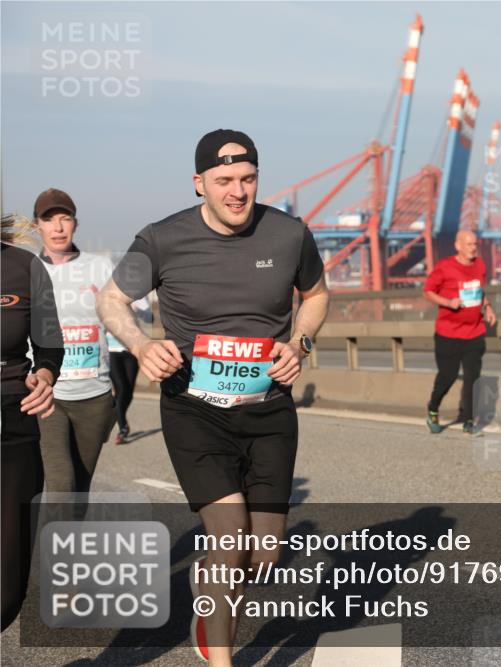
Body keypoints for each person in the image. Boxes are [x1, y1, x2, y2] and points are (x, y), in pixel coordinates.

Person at [98, 129, 329, 666]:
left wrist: (300, 343)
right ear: (199, 182)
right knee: (229, 536)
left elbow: (317, 295)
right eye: (224, 180)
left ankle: (209, 593)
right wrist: (140, 343)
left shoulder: (290, 234)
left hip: (268, 409)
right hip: (193, 409)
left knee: (263, 552)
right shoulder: (162, 239)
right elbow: (111, 299)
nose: (237, 192)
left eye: (247, 179)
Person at [34, 189, 117, 498]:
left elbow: (124, 319)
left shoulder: (101, 267)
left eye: (64, 218)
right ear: (37, 225)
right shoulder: (28, 269)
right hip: (46, 394)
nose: (58, 227)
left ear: (75, 223)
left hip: (94, 394)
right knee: (61, 485)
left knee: (79, 490)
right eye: (49, 219)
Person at [1, 214, 62, 631]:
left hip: (12, 416)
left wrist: (44, 375)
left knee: (7, 587)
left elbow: (49, 344)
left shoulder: (25, 267)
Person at [422, 229, 496, 435]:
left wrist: (488, 306)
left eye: (475, 244)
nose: (473, 248)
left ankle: (469, 420)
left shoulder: (480, 265)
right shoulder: (445, 267)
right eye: (469, 244)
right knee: (448, 376)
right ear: (458, 246)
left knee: (473, 377)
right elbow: (428, 291)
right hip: (448, 334)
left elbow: (479, 291)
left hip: (474, 332)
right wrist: (448, 302)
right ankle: (433, 408)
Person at [106, 295, 152, 444]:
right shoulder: (110, 293)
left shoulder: (141, 297)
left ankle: (115, 414)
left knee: (129, 392)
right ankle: (123, 427)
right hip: (112, 349)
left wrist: (135, 309)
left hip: (132, 349)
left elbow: (150, 319)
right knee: (121, 388)